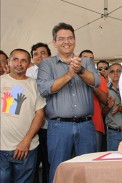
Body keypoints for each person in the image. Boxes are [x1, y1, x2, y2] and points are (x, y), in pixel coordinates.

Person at [37, 22, 100, 183]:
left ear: (75, 40)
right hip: (59, 127)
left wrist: (80, 70)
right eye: (61, 38)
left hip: (86, 125)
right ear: (54, 42)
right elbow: (45, 89)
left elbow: (96, 82)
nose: (66, 41)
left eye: (70, 38)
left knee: (88, 170)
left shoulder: (85, 61)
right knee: (59, 170)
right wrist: (70, 74)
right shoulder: (47, 63)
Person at [0, 48, 46, 183]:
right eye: (15, 59)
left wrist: (26, 141)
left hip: (27, 148)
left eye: (23, 60)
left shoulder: (33, 84)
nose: (19, 63)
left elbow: (40, 115)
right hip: (1, 149)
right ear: (9, 61)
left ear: (28, 63)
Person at [26, 42, 51, 183]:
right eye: (36, 53)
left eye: (43, 53)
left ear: (49, 55)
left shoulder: (55, 71)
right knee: (33, 164)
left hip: (50, 125)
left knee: (49, 162)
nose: (39, 56)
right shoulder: (28, 73)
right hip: (32, 126)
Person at [79, 49, 108, 151]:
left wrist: (92, 84)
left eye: (91, 59)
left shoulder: (100, 78)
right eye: (85, 58)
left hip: (96, 125)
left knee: (93, 159)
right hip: (75, 125)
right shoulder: (72, 77)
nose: (88, 61)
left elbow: (105, 100)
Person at [102, 63, 122, 151]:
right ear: (109, 74)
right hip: (113, 132)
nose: (116, 73)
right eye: (112, 71)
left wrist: (121, 109)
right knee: (113, 160)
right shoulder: (105, 90)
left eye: (118, 71)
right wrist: (109, 106)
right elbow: (102, 114)